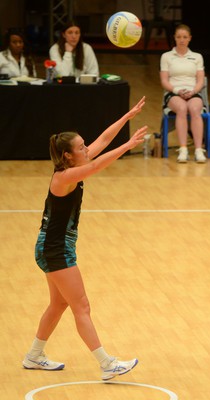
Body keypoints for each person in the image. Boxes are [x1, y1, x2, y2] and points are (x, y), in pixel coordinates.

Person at [23, 97, 147, 381]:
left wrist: (127, 116)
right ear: (68, 155)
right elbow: (95, 167)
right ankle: (107, 364)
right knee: (81, 306)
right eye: (81, 147)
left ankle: (34, 356)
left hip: (52, 246)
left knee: (59, 304)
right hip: (55, 249)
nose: (87, 149)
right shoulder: (65, 176)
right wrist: (127, 147)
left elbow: (103, 139)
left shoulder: (73, 164)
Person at [160, 24, 207, 163]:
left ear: (189, 39)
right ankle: (183, 149)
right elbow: (164, 81)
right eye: (179, 37)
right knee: (182, 108)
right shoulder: (166, 56)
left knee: (194, 108)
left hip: (193, 91)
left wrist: (193, 91)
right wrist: (177, 91)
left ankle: (199, 150)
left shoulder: (197, 57)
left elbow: (200, 80)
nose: (182, 40)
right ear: (174, 38)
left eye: (185, 37)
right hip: (173, 92)